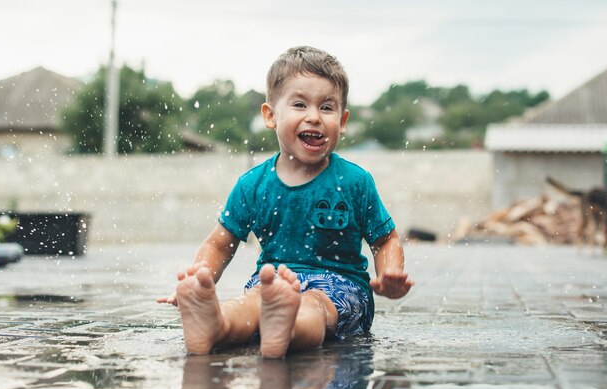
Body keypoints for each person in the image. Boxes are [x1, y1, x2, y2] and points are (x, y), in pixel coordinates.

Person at [157, 46, 414, 358]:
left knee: (313, 305)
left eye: (327, 108)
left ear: (342, 121)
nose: (314, 117)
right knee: (252, 302)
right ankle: (214, 324)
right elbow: (219, 244)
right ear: (270, 116)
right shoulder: (252, 185)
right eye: (299, 104)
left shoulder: (355, 181)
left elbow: (385, 240)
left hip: (340, 288)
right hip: (274, 280)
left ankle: (287, 325)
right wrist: (201, 278)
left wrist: (390, 273)